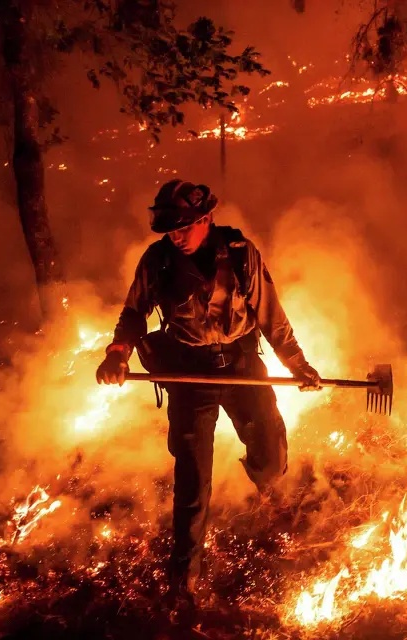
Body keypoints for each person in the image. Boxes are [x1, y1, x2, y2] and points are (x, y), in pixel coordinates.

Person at [96, 179, 321, 608]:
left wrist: (299, 366)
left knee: (272, 456)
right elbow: (132, 313)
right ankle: (183, 581)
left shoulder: (239, 255)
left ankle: (264, 484)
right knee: (193, 484)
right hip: (188, 373)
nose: (175, 236)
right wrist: (118, 354)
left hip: (240, 364)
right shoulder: (158, 260)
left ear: (206, 219)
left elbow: (272, 316)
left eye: (183, 227)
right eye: (170, 229)